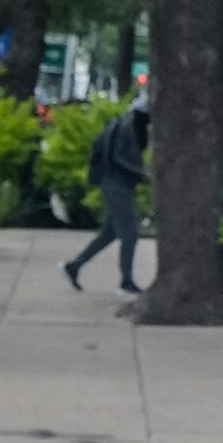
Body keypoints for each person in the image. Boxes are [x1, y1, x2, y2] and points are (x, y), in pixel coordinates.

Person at [66, 92, 151, 293]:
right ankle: (126, 281)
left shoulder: (127, 123)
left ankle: (75, 265)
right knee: (130, 234)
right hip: (116, 184)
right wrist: (141, 175)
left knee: (110, 232)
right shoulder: (128, 127)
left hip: (118, 183)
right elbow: (119, 158)